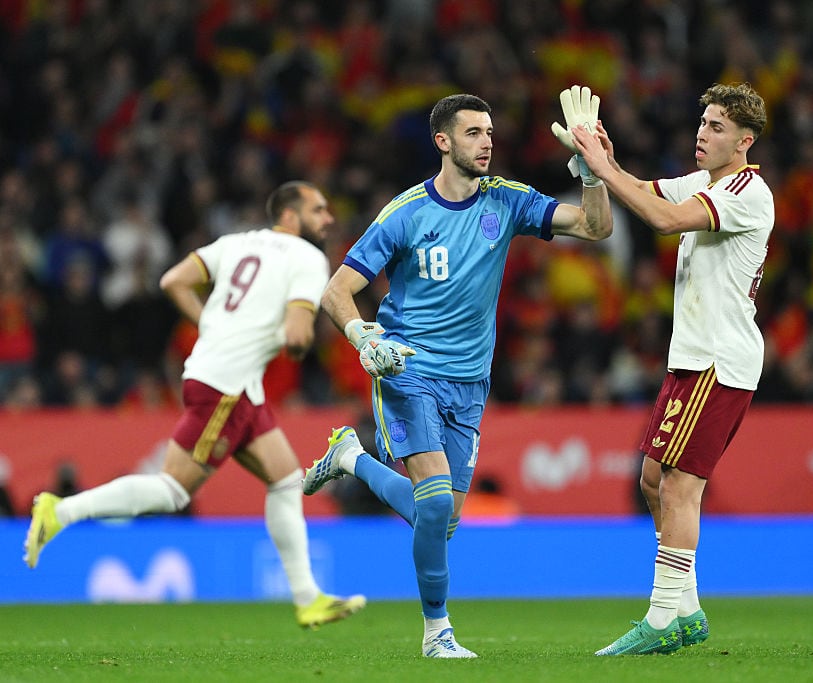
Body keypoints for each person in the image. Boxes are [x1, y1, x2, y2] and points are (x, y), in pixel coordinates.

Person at [301, 90, 612, 658]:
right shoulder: (405, 214)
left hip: (470, 382)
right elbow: (337, 290)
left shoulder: (509, 201)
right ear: (442, 142)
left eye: (490, 132)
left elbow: (595, 229)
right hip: (407, 368)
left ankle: (351, 459)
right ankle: (436, 633)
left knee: (439, 520)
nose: (487, 141)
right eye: (473, 133)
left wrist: (591, 169)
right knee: (437, 503)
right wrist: (362, 336)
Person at [23, 181, 366, 629]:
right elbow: (300, 336)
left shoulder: (237, 242)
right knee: (173, 490)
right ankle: (60, 510)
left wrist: (212, 325)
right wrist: (293, 343)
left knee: (285, 479)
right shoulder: (307, 258)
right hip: (227, 385)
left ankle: (308, 599)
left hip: (227, 378)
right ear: (288, 215)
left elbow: (174, 280)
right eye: (318, 209)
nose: (327, 218)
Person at [571, 82, 773, 656]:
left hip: (718, 358)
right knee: (653, 481)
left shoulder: (746, 190)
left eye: (716, 127)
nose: (702, 133)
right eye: (702, 122)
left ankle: (661, 619)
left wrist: (601, 169)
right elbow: (640, 190)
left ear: (744, 141)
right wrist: (603, 159)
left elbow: (661, 220)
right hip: (692, 358)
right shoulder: (704, 182)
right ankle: (686, 610)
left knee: (682, 487)